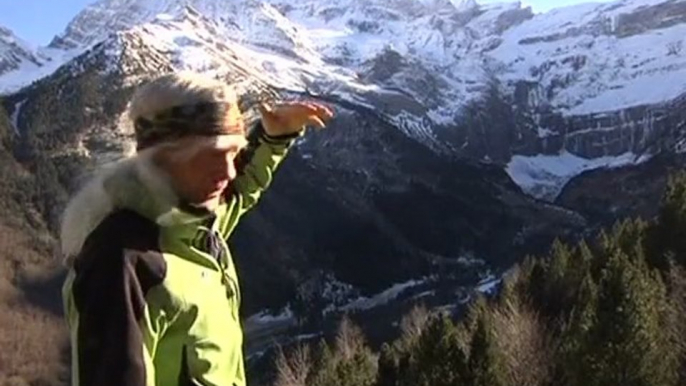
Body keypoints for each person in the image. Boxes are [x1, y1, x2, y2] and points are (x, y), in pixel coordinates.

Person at [58, 71, 334, 386]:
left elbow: (241, 189)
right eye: (214, 155)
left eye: (234, 153)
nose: (228, 171)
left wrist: (274, 137)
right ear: (163, 158)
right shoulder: (123, 262)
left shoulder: (192, 225)